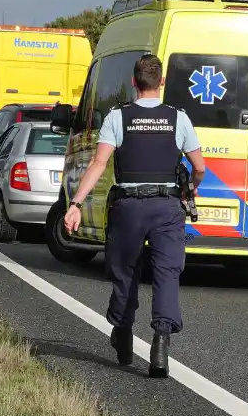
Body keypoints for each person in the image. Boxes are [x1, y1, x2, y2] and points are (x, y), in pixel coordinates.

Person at [62, 54, 205, 378]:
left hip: (128, 205)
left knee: (125, 271)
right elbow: (199, 167)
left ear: (133, 82)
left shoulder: (119, 117)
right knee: (167, 273)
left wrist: (76, 204)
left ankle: (123, 332)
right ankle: (160, 344)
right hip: (168, 207)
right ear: (162, 82)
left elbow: (98, 164)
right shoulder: (177, 118)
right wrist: (190, 189)